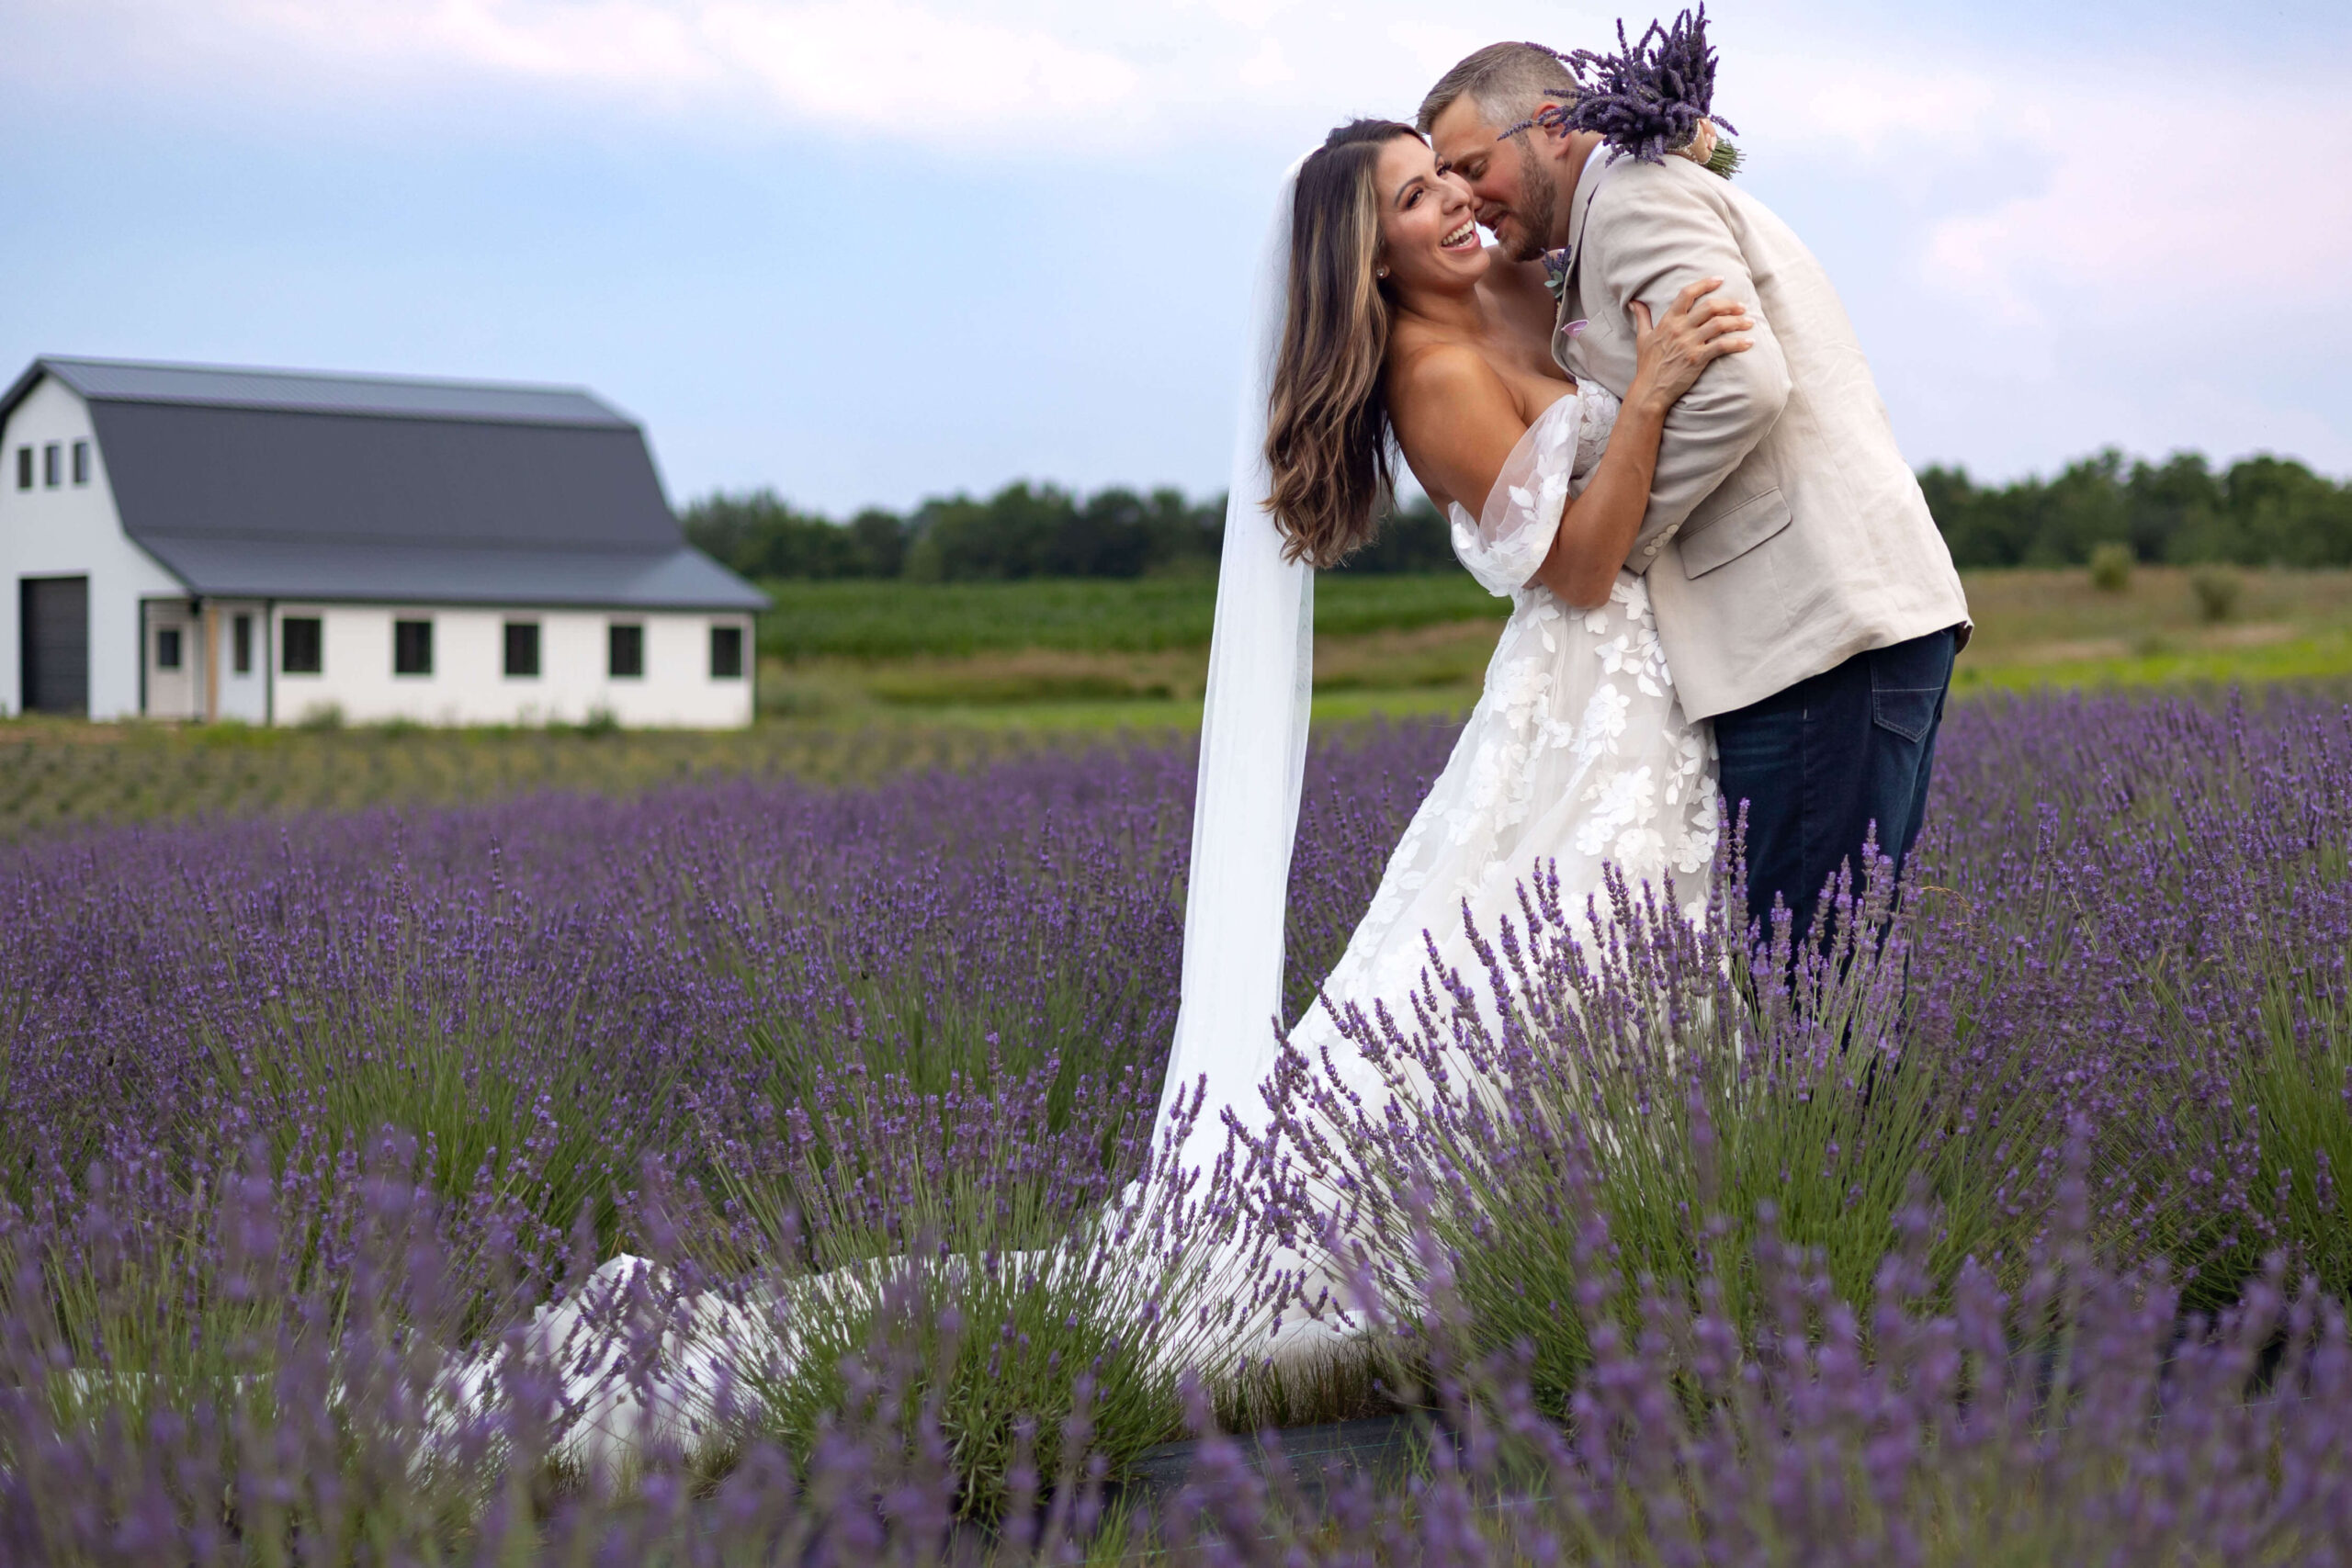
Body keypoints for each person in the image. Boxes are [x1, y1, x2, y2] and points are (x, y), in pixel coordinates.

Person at [1419, 39, 1972, 946]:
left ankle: (1826, 1100)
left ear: (1552, 126)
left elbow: (1742, 385)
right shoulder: (1621, 205)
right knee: (1821, 969)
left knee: (1807, 976)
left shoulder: (1632, 201)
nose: (1464, 199)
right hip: (1820, 634)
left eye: (1472, 168)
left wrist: (1622, 543)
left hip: (1815, 631)